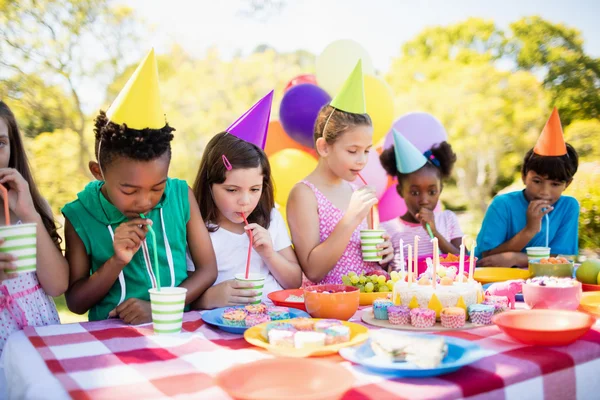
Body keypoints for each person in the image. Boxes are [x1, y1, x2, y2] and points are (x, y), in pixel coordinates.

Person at [62, 49, 217, 323]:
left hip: (178, 327)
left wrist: (159, 308)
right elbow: (75, 302)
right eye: (130, 191)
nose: (146, 201)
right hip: (109, 336)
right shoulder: (79, 216)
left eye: (158, 187)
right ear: (98, 172)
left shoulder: (181, 196)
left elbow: (207, 270)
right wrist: (116, 261)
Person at [287, 60, 394, 285]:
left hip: (369, 299)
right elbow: (314, 271)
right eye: (353, 151)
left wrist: (384, 254)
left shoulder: (356, 191)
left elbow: (365, 259)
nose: (362, 160)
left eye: (366, 151)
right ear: (324, 147)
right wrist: (351, 219)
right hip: (331, 306)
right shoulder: (304, 194)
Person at [476, 108, 579, 268]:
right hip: (492, 277)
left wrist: (516, 258)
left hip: (537, 279)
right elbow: (488, 257)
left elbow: (554, 257)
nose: (545, 192)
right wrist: (530, 229)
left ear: (568, 184)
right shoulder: (502, 205)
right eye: (537, 181)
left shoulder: (568, 207)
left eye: (555, 184)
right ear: (524, 176)